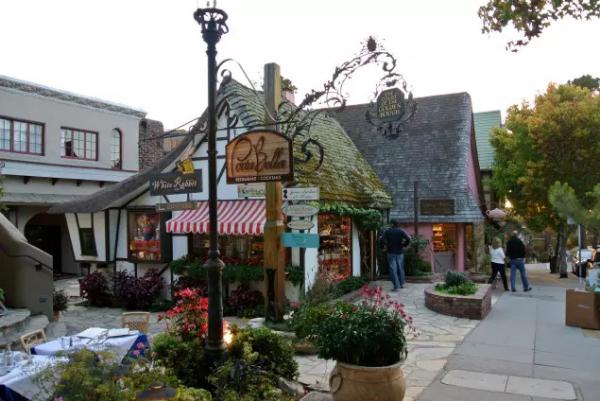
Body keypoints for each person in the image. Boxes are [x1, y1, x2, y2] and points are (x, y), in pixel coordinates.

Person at [380, 219, 411, 291]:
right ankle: (401, 284)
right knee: (400, 268)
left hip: (391, 252)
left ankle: (396, 286)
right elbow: (408, 239)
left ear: (391, 224)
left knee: (393, 270)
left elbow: (382, 239)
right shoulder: (401, 231)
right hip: (400, 252)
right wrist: (404, 245)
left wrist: (383, 247)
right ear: (398, 224)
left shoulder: (387, 231)